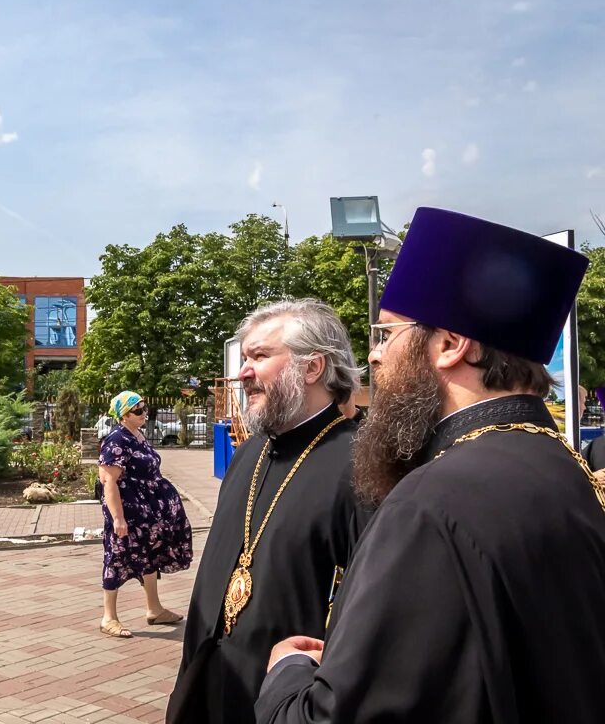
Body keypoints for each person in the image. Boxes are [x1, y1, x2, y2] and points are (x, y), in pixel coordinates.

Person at [256, 207, 605, 723]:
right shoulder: (568, 468)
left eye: (387, 334)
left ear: (448, 344)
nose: (374, 357)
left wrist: (286, 674)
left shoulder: (430, 504)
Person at [168, 299, 370, 724]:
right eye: (245, 358)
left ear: (312, 367)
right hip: (210, 684)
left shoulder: (364, 467)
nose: (244, 372)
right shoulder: (250, 453)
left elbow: (370, 616)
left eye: (259, 356)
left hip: (285, 703)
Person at [98, 391, 193, 638]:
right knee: (117, 558)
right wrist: (117, 518)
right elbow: (109, 482)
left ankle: (154, 609)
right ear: (124, 415)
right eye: (138, 411)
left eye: (144, 408)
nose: (144, 413)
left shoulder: (137, 436)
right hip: (128, 513)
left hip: (147, 514)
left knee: (149, 556)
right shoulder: (116, 441)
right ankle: (109, 617)